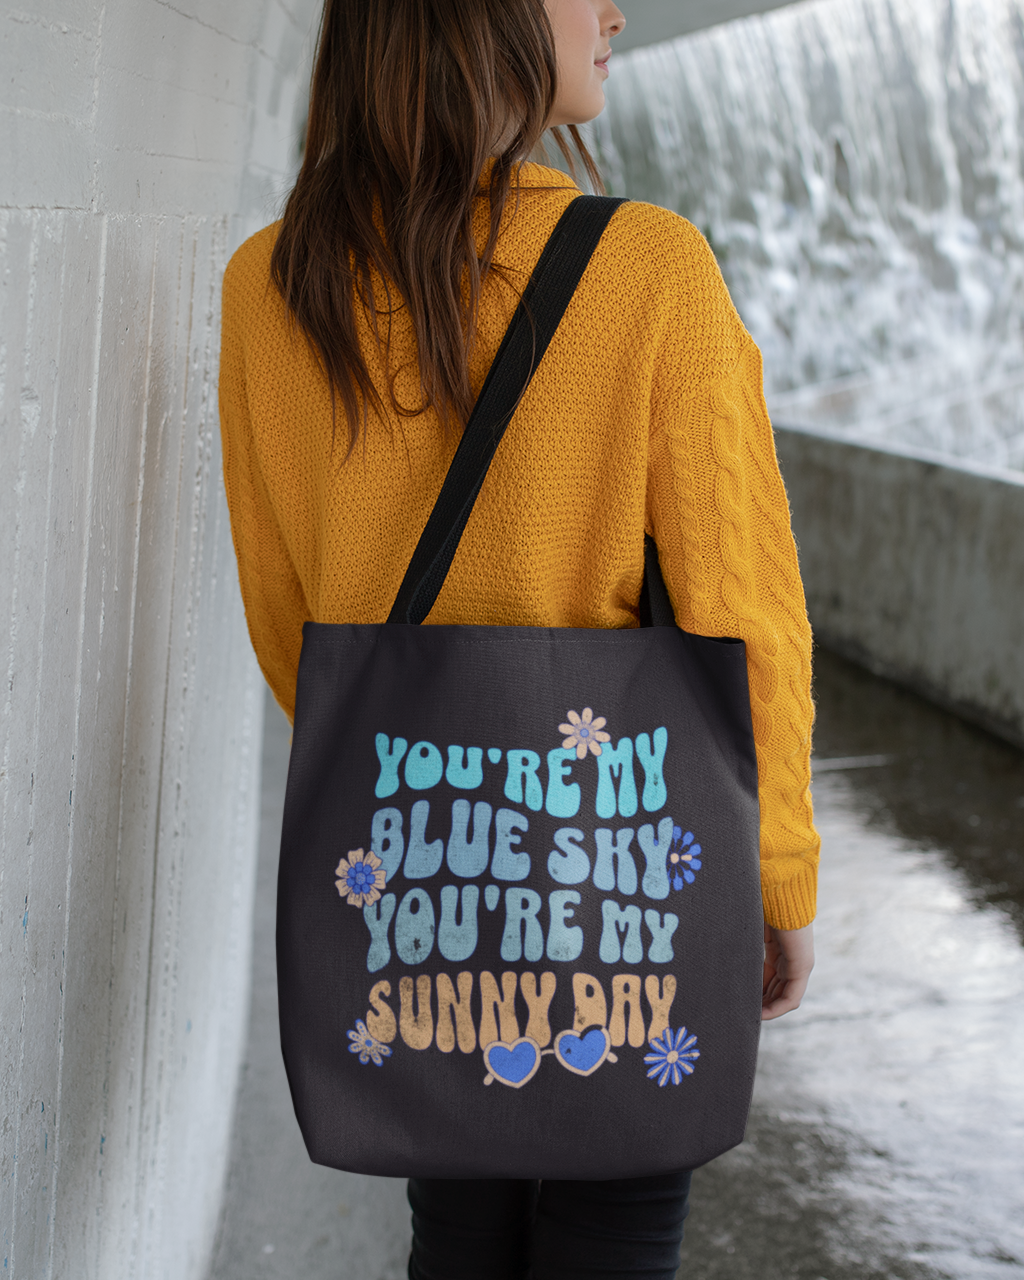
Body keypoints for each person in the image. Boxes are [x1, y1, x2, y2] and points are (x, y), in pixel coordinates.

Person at [218, 0, 819, 1275]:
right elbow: (742, 610)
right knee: (615, 1228)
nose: (615, 12)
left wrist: (419, 784)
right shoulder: (650, 268)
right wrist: (776, 874)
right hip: (630, 880)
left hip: (419, 883)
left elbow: (288, 623)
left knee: (456, 1227)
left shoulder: (271, 285)